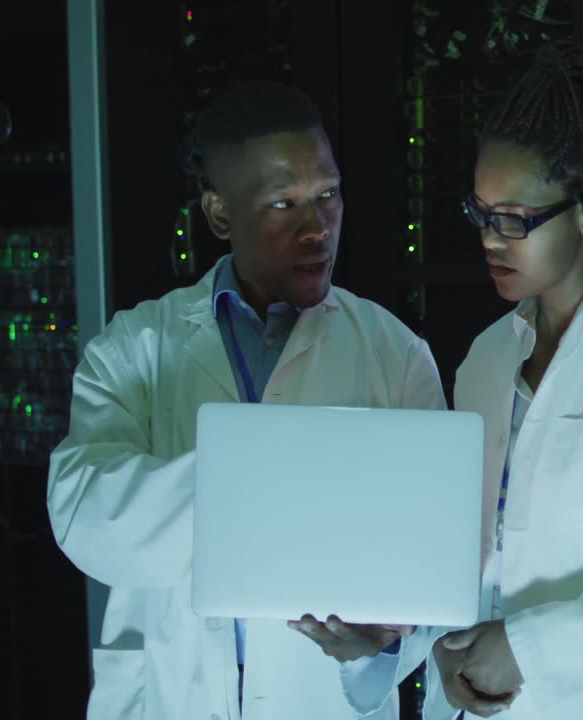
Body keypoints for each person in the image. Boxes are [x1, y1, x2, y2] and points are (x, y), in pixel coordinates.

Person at [317, 41, 583, 719]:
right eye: (480, 214)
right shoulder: (486, 360)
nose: (490, 239)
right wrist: (401, 644)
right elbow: (475, 561)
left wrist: (528, 650)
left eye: (515, 219)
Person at [47, 80, 444, 719]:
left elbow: (433, 563)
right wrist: (254, 479)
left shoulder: (394, 353)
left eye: (329, 194)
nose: (317, 227)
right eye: (283, 203)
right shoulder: (135, 346)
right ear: (220, 214)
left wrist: (379, 647)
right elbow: (83, 513)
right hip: (171, 695)